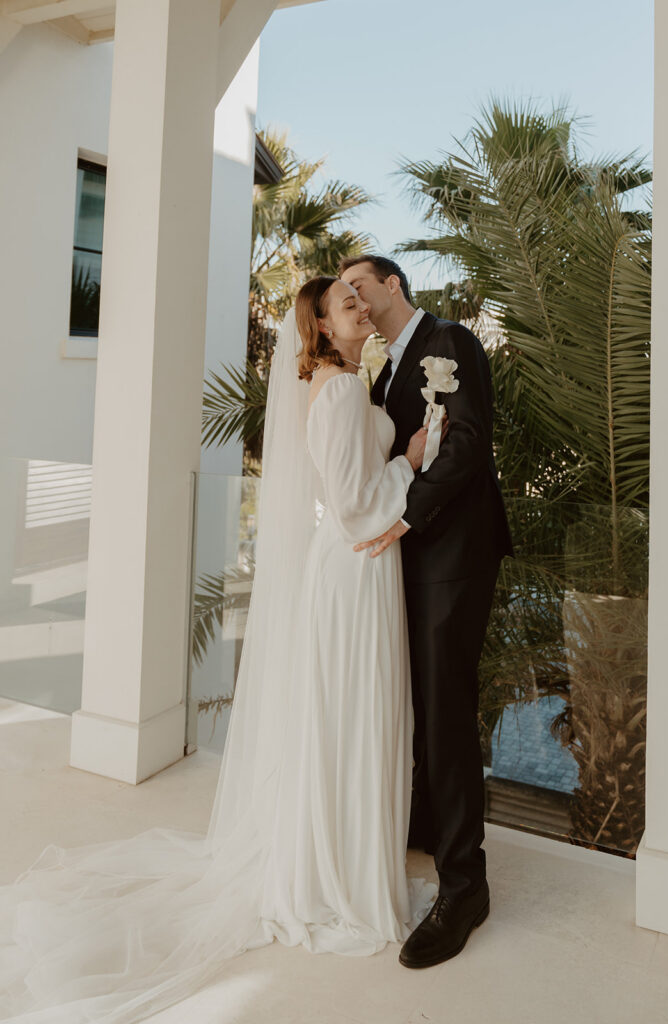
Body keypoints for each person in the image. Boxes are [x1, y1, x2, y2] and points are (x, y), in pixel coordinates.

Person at [0, 276, 441, 1024]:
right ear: (320, 327)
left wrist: (391, 455)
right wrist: (411, 458)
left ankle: (341, 858)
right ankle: (336, 878)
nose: (361, 307)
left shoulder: (340, 383)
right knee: (350, 715)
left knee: (345, 717)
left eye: (361, 299)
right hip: (355, 566)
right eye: (346, 304)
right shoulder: (338, 391)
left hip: (356, 566)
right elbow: (352, 506)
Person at [339, 255, 515, 969]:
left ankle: (465, 886)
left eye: (357, 284)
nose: (350, 296)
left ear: (392, 285)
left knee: (444, 709)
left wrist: (404, 515)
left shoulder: (449, 340)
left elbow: (468, 441)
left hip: (453, 553)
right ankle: (424, 825)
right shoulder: (380, 370)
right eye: (341, 292)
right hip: (405, 559)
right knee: (413, 699)